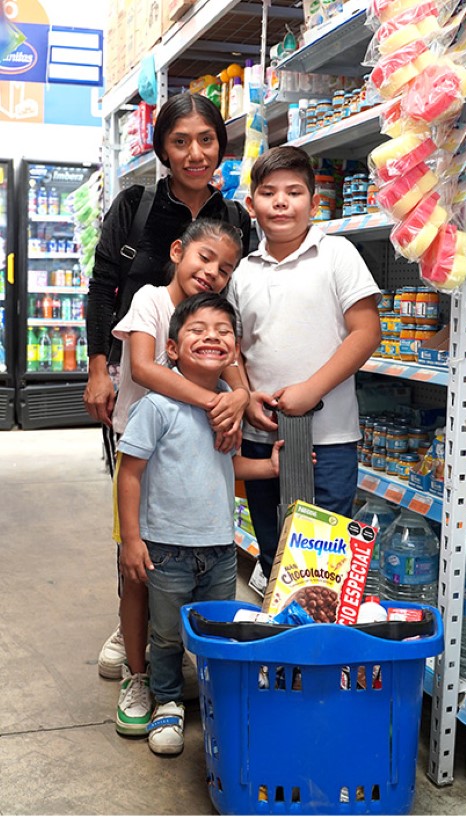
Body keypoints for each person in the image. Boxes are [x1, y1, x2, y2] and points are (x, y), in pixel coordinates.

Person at [84, 91, 251, 679]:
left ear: (220, 146)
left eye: (206, 139)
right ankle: (134, 633)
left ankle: (166, 630)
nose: (194, 152)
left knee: (186, 518)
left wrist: (241, 391)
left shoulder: (234, 220)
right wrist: (99, 366)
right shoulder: (136, 205)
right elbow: (104, 287)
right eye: (180, 141)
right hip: (139, 403)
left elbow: (224, 320)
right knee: (136, 524)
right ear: (162, 148)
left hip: (202, 408)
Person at [117, 292, 282, 755]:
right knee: (167, 632)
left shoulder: (229, 402)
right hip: (165, 547)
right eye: (197, 330)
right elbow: (129, 473)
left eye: (223, 331)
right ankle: (167, 701)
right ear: (171, 349)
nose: (212, 336)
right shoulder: (157, 406)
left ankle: (214, 698)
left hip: (220, 548)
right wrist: (132, 540)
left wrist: (267, 467)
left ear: (234, 349)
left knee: (216, 626)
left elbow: (227, 467)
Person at [110, 219, 249, 737]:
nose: (212, 272)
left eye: (226, 268)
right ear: (177, 251)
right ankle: (141, 673)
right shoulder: (149, 299)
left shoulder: (213, 331)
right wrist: (220, 400)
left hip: (210, 535)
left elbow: (239, 384)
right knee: (137, 577)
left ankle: (179, 676)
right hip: (143, 460)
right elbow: (144, 370)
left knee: (194, 609)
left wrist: (241, 397)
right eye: (205, 258)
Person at [227, 145, 382, 578]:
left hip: (329, 438)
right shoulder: (243, 272)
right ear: (251, 205)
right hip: (264, 437)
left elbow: (367, 331)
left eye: (293, 192)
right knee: (274, 548)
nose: (280, 202)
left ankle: (315, 640)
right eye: (268, 192)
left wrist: (310, 391)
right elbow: (234, 347)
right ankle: (281, 638)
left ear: (314, 204)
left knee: (324, 560)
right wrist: (244, 393)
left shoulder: (337, 255)